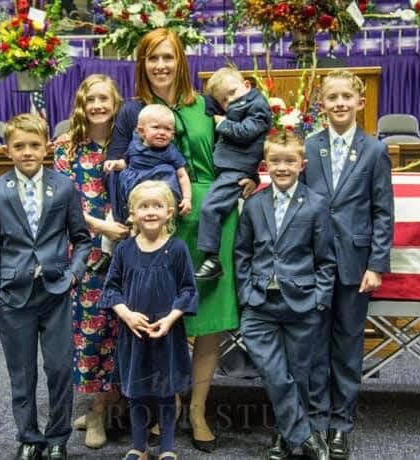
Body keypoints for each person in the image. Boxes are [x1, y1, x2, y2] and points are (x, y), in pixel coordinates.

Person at [107, 28, 256, 452]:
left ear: (181, 61)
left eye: (168, 57)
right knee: (161, 315)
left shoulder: (205, 104)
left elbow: (245, 141)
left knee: (206, 318)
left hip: (211, 214)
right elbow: (113, 163)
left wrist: (247, 173)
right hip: (156, 224)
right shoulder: (132, 110)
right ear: (142, 64)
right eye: (152, 58)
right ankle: (166, 405)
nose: (160, 66)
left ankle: (198, 409)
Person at [0, 113, 92, 460]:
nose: (28, 152)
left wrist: (74, 273)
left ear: (47, 147)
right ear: (7, 151)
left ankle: (58, 436)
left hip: (55, 291)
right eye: (19, 146)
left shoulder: (64, 186)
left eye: (34, 145)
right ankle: (28, 436)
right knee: (22, 371)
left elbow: (82, 239)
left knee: (59, 368)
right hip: (14, 295)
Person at [302, 70, 394, 460]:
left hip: (356, 266)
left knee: (347, 347)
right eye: (332, 97)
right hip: (314, 264)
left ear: (360, 102)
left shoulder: (374, 150)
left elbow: (382, 212)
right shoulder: (308, 147)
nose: (339, 103)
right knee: (313, 345)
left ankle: (341, 425)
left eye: (346, 97)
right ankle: (314, 422)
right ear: (321, 104)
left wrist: (376, 263)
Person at [235, 131, 337, 460]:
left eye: (289, 161)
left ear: (302, 164)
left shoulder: (316, 204)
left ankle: (285, 437)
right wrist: (245, 293)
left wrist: (319, 298)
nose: (282, 167)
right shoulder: (254, 204)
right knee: (274, 373)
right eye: (275, 161)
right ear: (265, 165)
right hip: (259, 304)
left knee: (300, 373)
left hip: (302, 302)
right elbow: (242, 253)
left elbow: (326, 258)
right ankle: (305, 435)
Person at [52, 74, 131, 449]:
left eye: (105, 99)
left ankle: (112, 403)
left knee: (121, 328)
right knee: (91, 330)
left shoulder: (129, 144)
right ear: (81, 105)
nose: (98, 106)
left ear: (116, 103)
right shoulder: (66, 149)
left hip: (130, 249)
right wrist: (104, 226)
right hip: (88, 251)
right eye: (91, 100)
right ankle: (97, 409)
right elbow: (62, 204)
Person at [99, 180, 199, 460]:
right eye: (144, 206)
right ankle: (139, 446)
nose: (151, 211)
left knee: (166, 391)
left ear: (170, 212)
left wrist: (170, 319)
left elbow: (188, 289)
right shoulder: (124, 250)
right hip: (134, 334)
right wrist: (126, 314)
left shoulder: (177, 249)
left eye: (157, 205)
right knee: (137, 391)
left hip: (167, 333)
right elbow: (111, 289)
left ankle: (167, 448)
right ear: (132, 213)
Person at [194, 66, 272, 281]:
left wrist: (224, 123)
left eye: (233, 92)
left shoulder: (257, 107)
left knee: (211, 207)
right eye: (225, 100)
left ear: (247, 86)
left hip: (235, 170)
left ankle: (212, 258)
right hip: (229, 168)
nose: (230, 101)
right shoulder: (244, 105)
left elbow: (247, 133)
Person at [103, 104, 192, 223]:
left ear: (173, 134)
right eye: (156, 127)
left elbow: (182, 175)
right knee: (121, 176)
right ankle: (131, 212)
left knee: (168, 178)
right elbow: (126, 163)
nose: (162, 132)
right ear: (141, 131)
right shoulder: (134, 145)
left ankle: (164, 212)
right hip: (135, 182)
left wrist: (187, 198)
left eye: (168, 129)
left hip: (157, 184)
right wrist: (115, 164)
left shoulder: (170, 151)